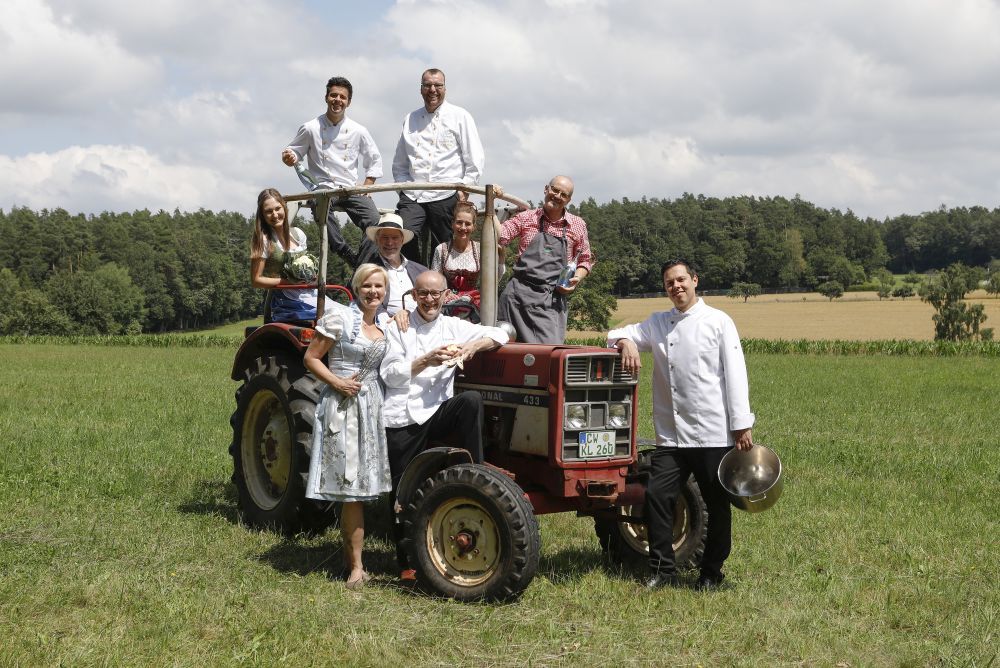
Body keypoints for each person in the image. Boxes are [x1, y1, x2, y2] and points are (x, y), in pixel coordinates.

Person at [607, 259, 755, 591]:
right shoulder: (657, 323)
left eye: (681, 280)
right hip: (671, 436)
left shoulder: (718, 321)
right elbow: (614, 333)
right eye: (670, 283)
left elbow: (735, 373)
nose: (676, 286)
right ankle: (663, 569)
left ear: (695, 281)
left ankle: (711, 572)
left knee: (717, 505)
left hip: (712, 433)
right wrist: (626, 343)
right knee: (657, 496)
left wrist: (741, 423)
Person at [379, 270, 509, 576]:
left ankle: (474, 475)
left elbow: (503, 333)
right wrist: (426, 360)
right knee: (402, 488)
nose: (429, 300)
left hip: (436, 410)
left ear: (446, 295)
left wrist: (474, 347)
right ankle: (406, 561)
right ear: (413, 296)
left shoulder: (453, 326)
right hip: (404, 413)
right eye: (423, 294)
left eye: (435, 294)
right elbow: (390, 374)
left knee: (471, 400)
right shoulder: (398, 326)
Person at [303, 263, 393, 590]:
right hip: (343, 405)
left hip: (373, 406)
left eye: (379, 287)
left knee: (364, 484)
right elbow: (311, 358)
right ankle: (356, 567)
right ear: (357, 287)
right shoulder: (339, 318)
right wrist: (338, 382)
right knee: (351, 488)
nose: (373, 292)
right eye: (367, 286)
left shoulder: (383, 323)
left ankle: (351, 556)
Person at [282, 76, 382, 267]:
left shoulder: (358, 130)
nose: (338, 100)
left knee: (376, 223)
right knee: (322, 211)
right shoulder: (310, 128)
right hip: (323, 187)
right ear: (326, 97)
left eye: (342, 97)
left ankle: (360, 265)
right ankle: (343, 250)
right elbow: (293, 152)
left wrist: (368, 185)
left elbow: (374, 159)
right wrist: (288, 157)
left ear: (349, 102)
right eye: (333, 95)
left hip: (351, 188)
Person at [391, 68, 485, 263]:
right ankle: (415, 276)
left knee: (445, 245)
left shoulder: (460, 116)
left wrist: (463, 191)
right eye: (427, 85)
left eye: (437, 85)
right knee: (402, 234)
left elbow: (474, 158)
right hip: (414, 193)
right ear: (421, 89)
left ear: (445, 88)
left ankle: (442, 287)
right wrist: (403, 190)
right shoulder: (411, 118)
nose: (432, 90)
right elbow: (400, 163)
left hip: (446, 193)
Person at [496, 176, 593, 344]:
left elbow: (585, 259)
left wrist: (577, 278)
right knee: (508, 354)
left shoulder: (577, 225)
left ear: (568, 200)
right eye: (555, 190)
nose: (557, 196)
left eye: (563, 194)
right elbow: (500, 237)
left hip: (550, 301)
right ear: (546, 189)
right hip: (516, 298)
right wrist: (492, 205)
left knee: (548, 355)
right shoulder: (526, 217)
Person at [250, 188, 317, 323]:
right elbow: (256, 280)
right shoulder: (264, 240)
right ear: (262, 215)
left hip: (308, 293)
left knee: (347, 314)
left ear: (284, 208)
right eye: (269, 211)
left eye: (277, 208)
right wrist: (287, 282)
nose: (275, 215)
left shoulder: (298, 234)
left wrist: (312, 278)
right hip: (285, 301)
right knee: (334, 316)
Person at [429, 200, 501, 309]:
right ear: (452, 224)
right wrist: (445, 294)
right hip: (447, 303)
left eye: (468, 224)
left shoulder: (480, 250)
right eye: (459, 222)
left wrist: (502, 259)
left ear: (474, 226)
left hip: (473, 302)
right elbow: (433, 281)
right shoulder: (441, 249)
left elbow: (494, 279)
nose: (463, 228)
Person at [365, 212, 428, 320]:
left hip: (423, 323)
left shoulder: (421, 271)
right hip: (388, 326)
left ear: (402, 240)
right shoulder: (369, 272)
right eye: (385, 237)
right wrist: (391, 320)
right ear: (377, 240)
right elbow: (365, 304)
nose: (389, 243)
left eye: (395, 238)